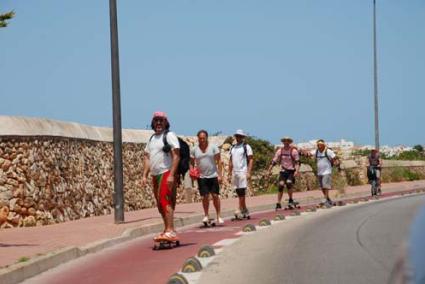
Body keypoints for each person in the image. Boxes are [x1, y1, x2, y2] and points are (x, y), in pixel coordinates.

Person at [142, 111, 180, 242]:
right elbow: (147, 157)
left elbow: (176, 155)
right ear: (153, 123)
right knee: (159, 204)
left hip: (166, 172)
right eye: (156, 120)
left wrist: (171, 175)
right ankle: (168, 229)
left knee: (165, 200)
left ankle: (170, 230)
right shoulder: (152, 139)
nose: (158, 123)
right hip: (155, 174)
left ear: (166, 122)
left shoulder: (169, 136)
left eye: (161, 120)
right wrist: (144, 175)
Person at [190, 130, 224, 224]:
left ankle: (218, 215)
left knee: (215, 196)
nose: (202, 140)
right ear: (198, 138)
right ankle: (206, 215)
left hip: (213, 175)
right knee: (205, 196)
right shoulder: (194, 149)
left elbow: (219, 161)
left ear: (206, 138)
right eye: (200, 138)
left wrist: (220, 175)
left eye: (203, 138)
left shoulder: (213, 147)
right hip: (201, 176)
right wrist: (192, 172)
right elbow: (191, 163)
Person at [267, 137, 300, 210]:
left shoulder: (294, 151)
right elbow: (274, 161)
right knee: (281, 185)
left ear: (289, 142)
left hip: (291, 171)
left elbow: (297, 162)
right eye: (285, 141)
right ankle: (278, 203)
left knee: (289, 183)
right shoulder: (280, 151)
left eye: (287, 141)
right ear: (283, 142)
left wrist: (297, 171)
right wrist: (269, 170)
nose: (286, 142)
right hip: (283, 171)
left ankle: (290, 199)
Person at [228, 129, 254, 218]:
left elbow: (250, 159)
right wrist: (229, 173)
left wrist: (249, 172)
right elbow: (230, 161)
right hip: (235, 172)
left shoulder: (246, 147)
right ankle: (245, 209)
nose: (238, 138)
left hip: (243, 171)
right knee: (238, 191)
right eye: (237, 136)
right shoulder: (232, 147)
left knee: (242, 191)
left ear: (243, 137)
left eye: (240, 136)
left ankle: (239, 208)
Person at [311, 139, 339, 206]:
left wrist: (336, 163)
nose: (319, 146)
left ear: (323, 145)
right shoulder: (316, 151)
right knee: (322, 187)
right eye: (318, 145)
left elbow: (335, 157)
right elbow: (309, 154)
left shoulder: (328, 151)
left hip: (327, 171)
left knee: (325, 185)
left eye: (320, 145)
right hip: (319, 172)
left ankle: (325, 199)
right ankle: (328, 199)